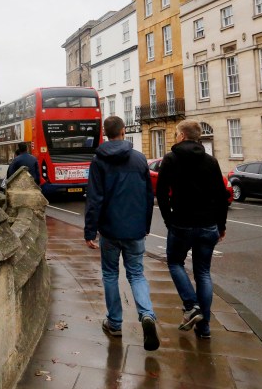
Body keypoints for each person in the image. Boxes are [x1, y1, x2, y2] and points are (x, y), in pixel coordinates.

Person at [84, 115, 159, 351]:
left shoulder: (98, 161)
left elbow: (94, 199)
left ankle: (115, 323)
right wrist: (145, 226)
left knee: (109, 274)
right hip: (135, 229)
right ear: (124, 131)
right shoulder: (139, 159)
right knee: (137, 274)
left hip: (109, 229)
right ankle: (146, 314)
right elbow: (149, 196)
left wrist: (90, 231)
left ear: (105, 133)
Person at [156, 120, 229, 340]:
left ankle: (191, 305)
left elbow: (160, 193)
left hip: (181, 223)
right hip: (208, 224)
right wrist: (221, 225)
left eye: (177, 133)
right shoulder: (210, 161)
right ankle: (204, 328)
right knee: (203, 273)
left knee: (175, 263)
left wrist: (169, 220)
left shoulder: (171, 159)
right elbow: (221, 196)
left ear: (182, 136)